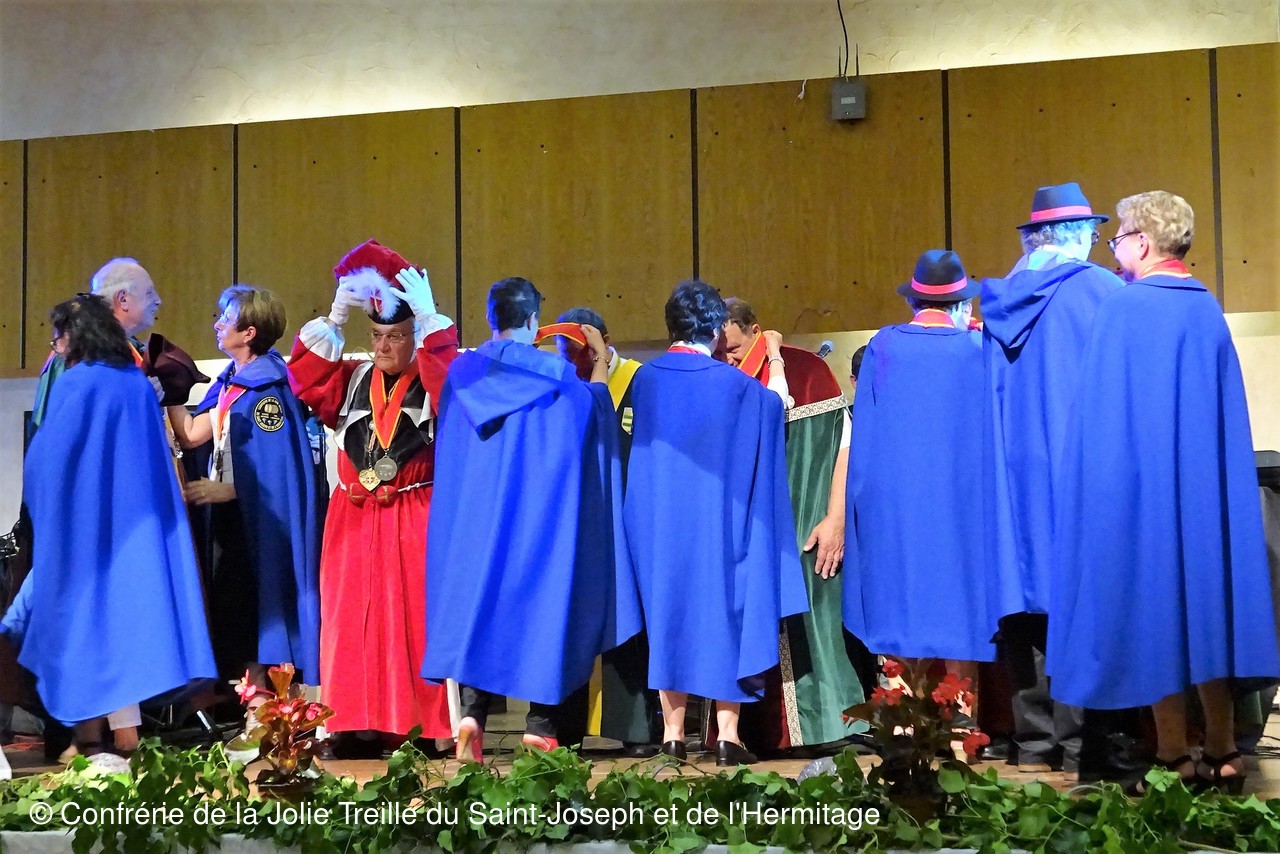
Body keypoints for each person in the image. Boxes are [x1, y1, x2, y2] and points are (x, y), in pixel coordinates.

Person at [1047, 191, 1280, 793]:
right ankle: (1223, 749)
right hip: (1203, 495)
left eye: (1119, 237)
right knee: (1207, 611)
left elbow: (1101, 420)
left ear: (1143, 242)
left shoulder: (1124, 309)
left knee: (1156, 615)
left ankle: (1174, 752)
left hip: (1142, 498)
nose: (1114, 248)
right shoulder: (1205, 307)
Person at [423, 278, 641, 759]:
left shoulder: (463, 374)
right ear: (531, 321)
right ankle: (539, 725)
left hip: (477, 524)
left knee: (480, 608)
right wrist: (599, 365)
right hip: (538, 522)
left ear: (491, 319)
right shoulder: (558, 376)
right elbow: (593, 421)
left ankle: (472, 716)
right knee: (547, 611)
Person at [4, 295, 215, 762]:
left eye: (58, 338)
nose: (56, 347)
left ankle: (86, 740)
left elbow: (47, 460)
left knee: (79, 628)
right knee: (121, 629)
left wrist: (49, 514)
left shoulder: (76, 382)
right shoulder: (133, 383)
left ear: (75, 336)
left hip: (85, 532)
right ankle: (114, 741)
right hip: (136, 534)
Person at [624, 280, 807, 767]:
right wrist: (777, 360)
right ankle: (727, 736)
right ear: (715, 331)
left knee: (668, 618)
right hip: (719, 523)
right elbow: (776, 409)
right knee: (727, 616)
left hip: (659, 524)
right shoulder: (734, 385)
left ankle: (672, 736)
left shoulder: (644, 379)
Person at [288, 239, 458, 754]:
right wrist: (334, 318)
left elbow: (455, 389)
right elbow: (306, 379)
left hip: (412, 511)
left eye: (396, 337)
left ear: (413, 337)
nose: (383, 347)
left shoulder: (430, 377)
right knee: (350, 622)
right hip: (354, 515)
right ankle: (351, 723)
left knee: (411, 622)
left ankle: (416, 728)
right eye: (377, 336)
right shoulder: (354, 377)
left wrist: (429, 320)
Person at [980, 182, 1124, 777]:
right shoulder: (1101, 291)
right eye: (1091, 232)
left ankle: (1034, 741)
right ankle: (1082, 742)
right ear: (1078, 235)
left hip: (1012, 479)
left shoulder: (998, 301)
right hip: (1076, 471)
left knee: (1023, 599)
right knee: (1081, 598)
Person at [719, 298, 866, 755]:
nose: (729, 360)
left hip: (807, 522)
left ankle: (825, 724)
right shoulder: (720, 379)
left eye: (735, 349)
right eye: (721, 351)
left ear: (756, 331)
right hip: (745, 528)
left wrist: (836, 518)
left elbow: (845, 445)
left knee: (815, 609)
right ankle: (749, 733)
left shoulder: (807, 372)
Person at [167, 286, 323, 696]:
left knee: (261, 608)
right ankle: (251, 700)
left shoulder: (268, 389)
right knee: (236, 612)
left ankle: (271, 707)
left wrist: (230, 491)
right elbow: (192, 434)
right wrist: (170, 390)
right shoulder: (231, 382)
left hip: (259, 519)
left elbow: (277, 472)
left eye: (226, 319)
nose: (217, 324)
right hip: (229, 517)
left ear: (249, 333)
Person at [844, 250, 993, 668]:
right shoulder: (977, 349)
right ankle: (960, 709)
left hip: (896, 503)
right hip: (961, 504)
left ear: (912, 300)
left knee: (896, 602)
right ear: (963, 304)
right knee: (961, 608)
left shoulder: (884, 345)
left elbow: (865, 431)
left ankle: (902, 707)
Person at [544, 306, 659, 755]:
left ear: (604, 342)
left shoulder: (638, 380)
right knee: (571, 621)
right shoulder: (559, 386)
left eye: (580, 350)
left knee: (628, 622)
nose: (572, 359)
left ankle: (633, 728)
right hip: (575, 521)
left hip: (628, 516)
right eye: (564, 351)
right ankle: (567, 727)